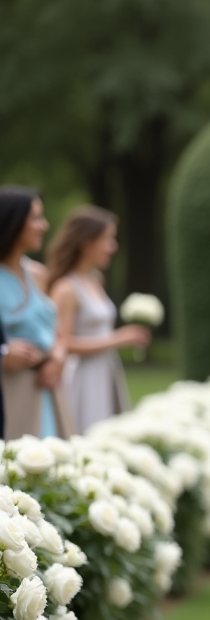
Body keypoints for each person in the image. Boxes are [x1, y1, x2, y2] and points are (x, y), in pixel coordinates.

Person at [45, 205, 148, 433]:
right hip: (82, 378)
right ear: (86, 242)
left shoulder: (95, 280)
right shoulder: (66, 289)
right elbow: (63, 343)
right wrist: (118, 339)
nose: (113, 247)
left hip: (106, 370)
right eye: (108, 239)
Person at [0, 186, 73, 439]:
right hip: (8, 392)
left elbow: (59, 332)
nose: (45, 226)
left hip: (46, 389)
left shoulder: (39, 274)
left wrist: (58, 357)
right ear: (11, 221)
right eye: (36, 218)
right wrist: (3, 354)